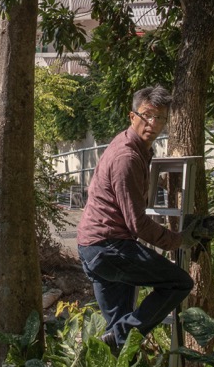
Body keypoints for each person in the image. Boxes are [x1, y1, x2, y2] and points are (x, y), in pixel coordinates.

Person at [76, 85, 204, 350]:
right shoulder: (127, 157)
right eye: (147, 115)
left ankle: (120, 363)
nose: (153, 124)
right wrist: (179, 240)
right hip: (108, 247)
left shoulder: (135, 147)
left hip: (93, 248)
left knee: (118, 343)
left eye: (160, 118)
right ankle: (122, 335)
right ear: (132, 115)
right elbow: (138, 223)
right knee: (179, 283)